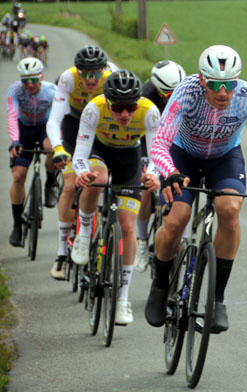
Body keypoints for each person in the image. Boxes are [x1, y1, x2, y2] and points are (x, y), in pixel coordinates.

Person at [145, 45, 247, 333]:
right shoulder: (186, 92)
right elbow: (160, 142)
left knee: (229, 211)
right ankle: (160, 284)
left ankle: (217, 300)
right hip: (183, 158)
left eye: (229, 84)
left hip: (224, 158)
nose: (223, 92)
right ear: (203, 80)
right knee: (177, 219)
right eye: (216, 84)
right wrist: (169, 173)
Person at [72, 69, 161, 325]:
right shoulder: (94, 108)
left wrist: (153, 175)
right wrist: (81, 173)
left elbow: (155, 155)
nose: (125, 114)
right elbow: (80, 153)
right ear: (107, 101)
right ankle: (84, 232)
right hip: (100, 150)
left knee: (126, 226)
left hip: (128, 159)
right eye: (118, 108)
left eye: (130, 107)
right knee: (96, 180)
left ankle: (122, 299)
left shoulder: (149, 111)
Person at [46, 45, 112, 280]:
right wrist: (59, 148)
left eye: (96, 73)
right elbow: (54, 119)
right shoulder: (68, 78)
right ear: (78, 71)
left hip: (102, 130)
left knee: (100, 178)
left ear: (103, 70)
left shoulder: (111, 79)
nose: (91, 79)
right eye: (86, 73)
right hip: (74, 127)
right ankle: (62, 253)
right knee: (70, 183)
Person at [134, 60, 186, 273]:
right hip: (148, 142)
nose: (172, 98)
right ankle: (142, 241)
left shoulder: (187, 93)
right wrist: (145, 166)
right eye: (167, 94)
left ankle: (175, 238)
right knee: (146, 190)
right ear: (156, 87)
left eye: (176, 93)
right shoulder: (143, 97)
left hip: (173, 143)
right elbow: (138, 134)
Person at [7, 57, 58, 246]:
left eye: (34, 80)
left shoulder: (51, 91)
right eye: (25, 80)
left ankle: (50, 182)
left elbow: (58, 118)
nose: (29, 84)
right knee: (19, 175)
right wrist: (15, 141)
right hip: (24, 130)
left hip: (45, 127)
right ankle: (17, 225)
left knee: (51, 147)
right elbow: (12, 116)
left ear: (41, 77)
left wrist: (58, 143)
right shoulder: (15, 90)